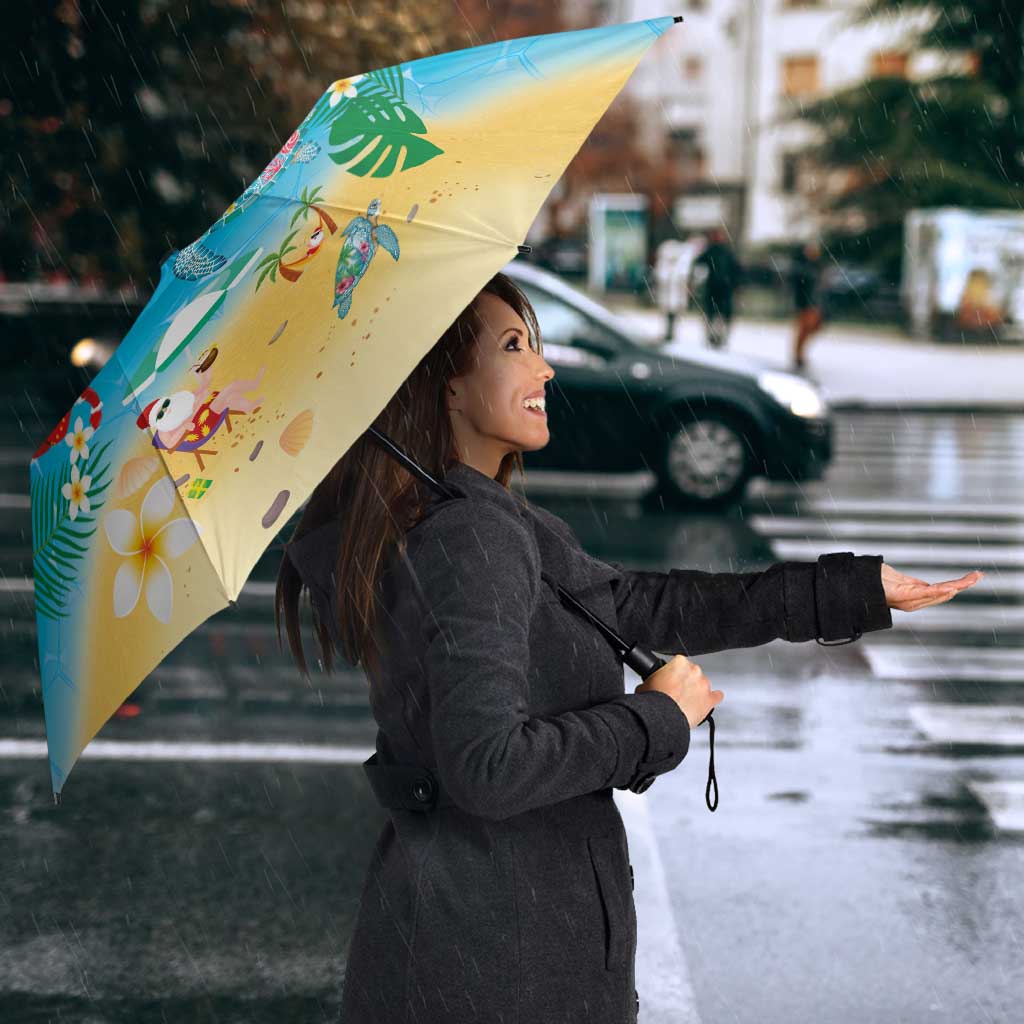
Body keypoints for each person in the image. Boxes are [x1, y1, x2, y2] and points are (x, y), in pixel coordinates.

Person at [275, 271, 972, 1024]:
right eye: (515, 346)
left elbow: (639, 605)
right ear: (445, 384)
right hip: (498, 963)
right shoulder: (468, 536)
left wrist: (850, 592)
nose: (544, 368)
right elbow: (488, 767)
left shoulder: (473, 517)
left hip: (479, 942)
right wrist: (657, 719)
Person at [692, 226, 742, 349]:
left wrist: (735, 284)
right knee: (713, 314)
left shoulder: (725, 252)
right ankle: (713, 337)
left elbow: (736, 270)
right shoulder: (712, 251)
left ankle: (719, 337)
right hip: (715, 288)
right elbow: (698, 264)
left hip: (723, 288)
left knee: (720, 315)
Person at [790, 239, 826, 370]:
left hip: (814, 303)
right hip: (805, 303)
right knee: (804, 329)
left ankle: (799, 354)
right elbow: (799, 286)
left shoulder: (817, 266)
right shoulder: (802, 267)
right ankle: (798, 355)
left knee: (812, 328)